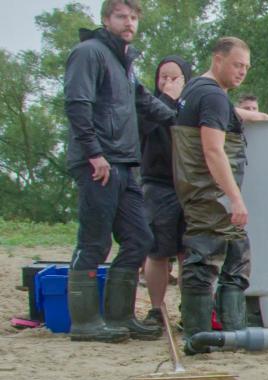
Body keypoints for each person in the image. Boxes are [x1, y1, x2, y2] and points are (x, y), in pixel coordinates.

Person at [62, 0, 180, 342]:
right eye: (121, 16)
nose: (128, 22)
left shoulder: (123, 62)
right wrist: (94, 154)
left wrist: (190, 112)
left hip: (127, 164)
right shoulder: (89, 53)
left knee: (140, 238)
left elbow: (148, 104)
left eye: (133, 17)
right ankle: (84, 323)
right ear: (105, 19)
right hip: (99, 162)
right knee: (94, 240)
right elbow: (77, 105)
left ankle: (120, 316)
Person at [171, 37, 253, 352]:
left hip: (198, 191)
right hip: (211, 196)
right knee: (205, 262)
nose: (242, 72)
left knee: (235, 255)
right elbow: (213, 150)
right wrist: (236, 198)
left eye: (246, 66)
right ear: (217, 60)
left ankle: (229, 336)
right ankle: (199, 339)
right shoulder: (213, 97)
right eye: (237, 64)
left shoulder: (194, 90)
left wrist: (256, 117)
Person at [138, 55, 192, 331]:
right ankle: (157, 311)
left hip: (190, 186)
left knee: (188, 253)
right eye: (164, 77)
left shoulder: (194, 106)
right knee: (158, 252)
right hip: (158, 184)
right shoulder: (148, 106)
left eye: (175, 77)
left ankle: (188, 310)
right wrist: (167, 99)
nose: (168, 82)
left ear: (187, 80)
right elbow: (142, 131)